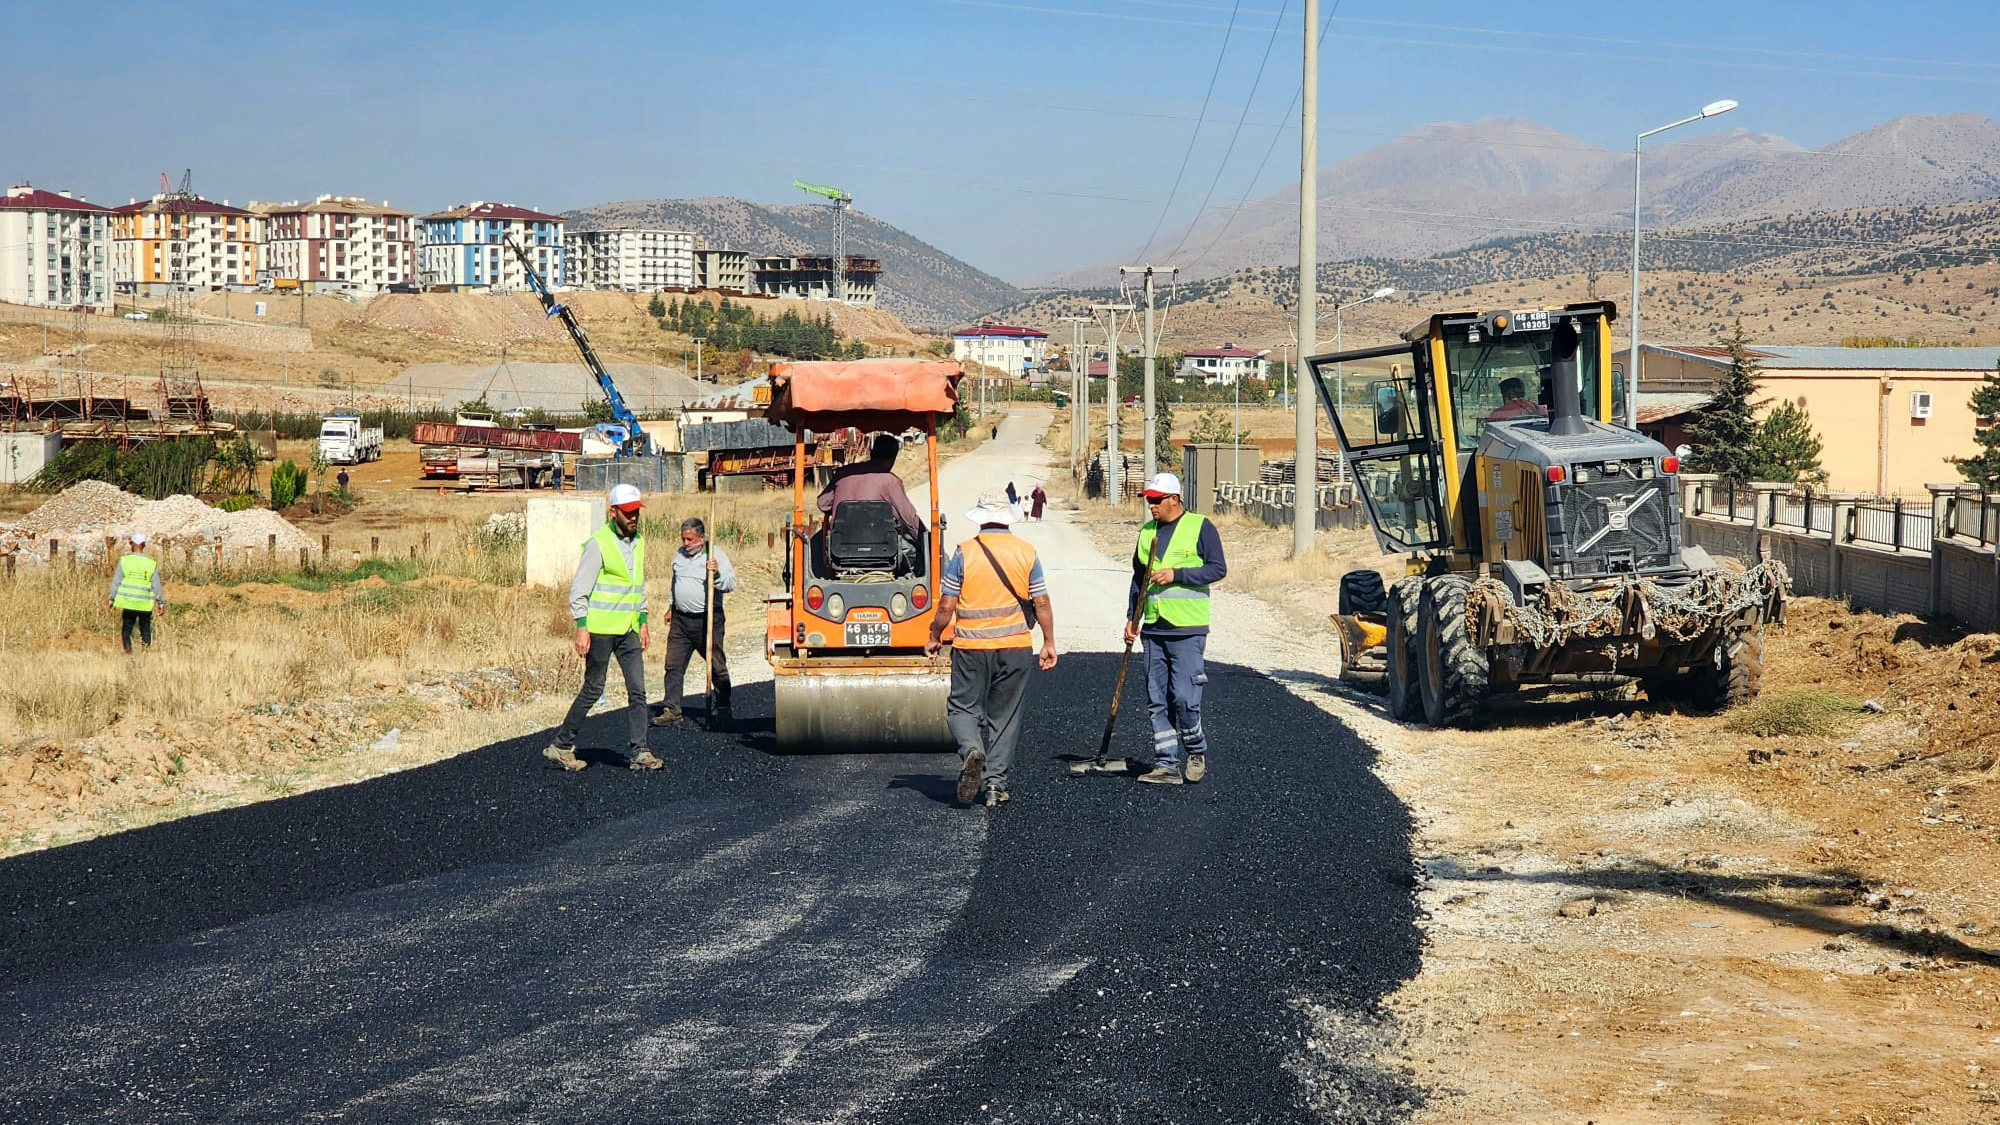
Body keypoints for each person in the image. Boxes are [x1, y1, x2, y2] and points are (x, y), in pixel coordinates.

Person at [927, 488, 1057, 808]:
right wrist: (1049, 642)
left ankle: (972, 749)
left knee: (961, 709)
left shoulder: (964, 553)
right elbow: (1040, 600)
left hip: (971, 646)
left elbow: (946, 604)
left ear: (981, 518)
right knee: (1005, 717)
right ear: (1007, 517)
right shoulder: (1026, 552)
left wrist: (934, 634)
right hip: (1014, 647)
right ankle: (995, 787)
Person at [545, 483, 662, 772]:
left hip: (630, 629)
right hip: (600, 629)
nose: (633, 517)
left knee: (638, 691)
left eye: (636, 512)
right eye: (628, 513)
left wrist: (643, 620)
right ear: (613, 513)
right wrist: (581, 626)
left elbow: (638, 586)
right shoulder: (598, 544)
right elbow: (579, 590)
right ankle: (561, 745)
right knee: (593, 688)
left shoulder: (640, 542)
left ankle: (640, 751)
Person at [1125, 472, 1226, 785]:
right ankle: (1166, 764)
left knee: (1183, 697)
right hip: (1155, 628)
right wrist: (1132, 618)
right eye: (1148, 500)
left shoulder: (1200, 527)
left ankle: (1195, 750)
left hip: (1187, 628)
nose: (1151, 506)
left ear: (1174, 499)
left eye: (1156, 500)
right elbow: (1138, 579)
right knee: (1157, 700)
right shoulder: (1147, 533)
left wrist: (1177, 574)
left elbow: (1217, 568)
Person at [653, 517, 735, 726]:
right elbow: (675, 582)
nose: (686, 544)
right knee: (673, 664)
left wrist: (715, 574)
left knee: (716, 665)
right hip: (681, 620)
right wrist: (671, 606)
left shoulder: (715, 555)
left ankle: (723, 707)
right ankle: (672, 710)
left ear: (701, 537)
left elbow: (729, 584)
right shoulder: (679, 556)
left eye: (690, 539)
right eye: (684, 539)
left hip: (708, 619)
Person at [818, 433, 926, 537]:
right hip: (881, 546)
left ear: (872, 453)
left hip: (840, 547)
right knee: (911, 550)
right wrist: (927, 540)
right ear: (892, 459)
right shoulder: (890, 481)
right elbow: (909, 519)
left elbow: (823, 503)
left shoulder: (843, 473)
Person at [109, 531, 164, 653]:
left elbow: (116, 582)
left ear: (131, 544)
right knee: (145, 630)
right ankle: (145, 654)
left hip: (128, 602)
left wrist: (112, 599)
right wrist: (160, 603)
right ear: (143, 545)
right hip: (144, 603)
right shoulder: (151, 564)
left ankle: (129, 653)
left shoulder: (124, 561)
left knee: (126, 630)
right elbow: (156, 585)